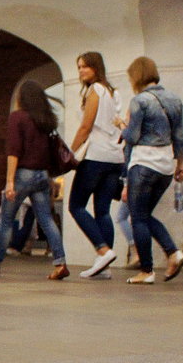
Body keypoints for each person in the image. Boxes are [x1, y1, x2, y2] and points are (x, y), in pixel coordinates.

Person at [0, 80, 68, 280]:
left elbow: (14, 151)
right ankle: (60, 263)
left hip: (23, 174)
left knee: (6, 220)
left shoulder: (18, 118)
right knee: (46, 219)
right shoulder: (46, 120)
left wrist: (9, 181)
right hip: (43, 175)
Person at [118, 57, 183, 285]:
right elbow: (178, 135)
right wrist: (181, 163)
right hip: (166, 166)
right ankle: (173, 253)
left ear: (136, 76)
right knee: (145, 215)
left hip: (143, 163)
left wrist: (121, 125)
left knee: (137, 217)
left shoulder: (140, 101)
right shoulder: (175, 99)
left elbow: (132, 138)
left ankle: (146, 271)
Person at [68, 52, 124, 278]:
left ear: (96, 68)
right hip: (114, 158)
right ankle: (105, 268)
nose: (81, 71)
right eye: (79, 67)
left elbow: (85, 127)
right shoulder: (114, 92)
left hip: (95, 156)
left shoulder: (95, 91)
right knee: (103, 211)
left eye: (85, 67)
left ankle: (103, 250)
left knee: (76, 206)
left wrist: (70, 153)